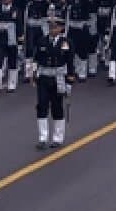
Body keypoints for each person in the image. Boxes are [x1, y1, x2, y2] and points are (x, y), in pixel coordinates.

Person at [33, 17, 73, 149]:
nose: (52, 30)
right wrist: (33, 75)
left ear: (61, 28)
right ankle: (42, 138)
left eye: (55, 27)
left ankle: (57, 138)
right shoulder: (42, 41)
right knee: (41, 106)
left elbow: (70, 63)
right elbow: (36, 59)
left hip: (59, 78)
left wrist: (69, 82)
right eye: (50, 27)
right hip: (44, 78)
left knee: (57, 107)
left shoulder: (66, 42)